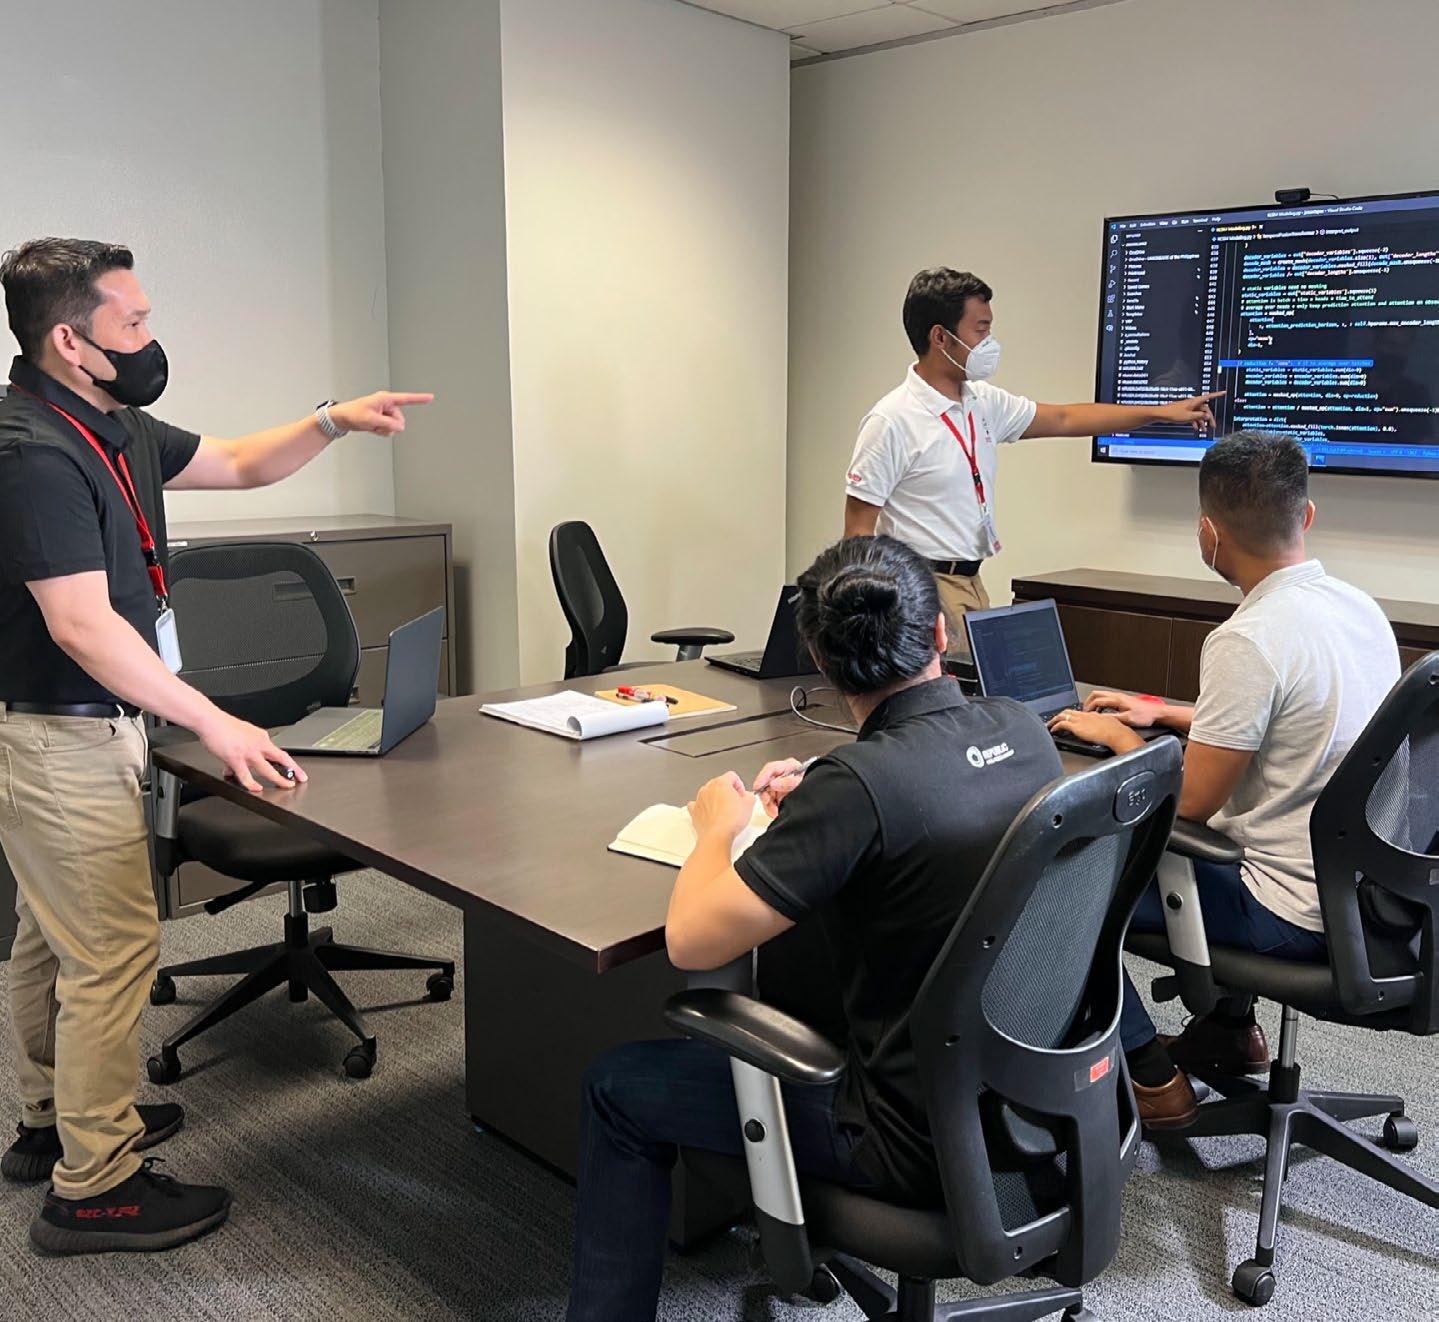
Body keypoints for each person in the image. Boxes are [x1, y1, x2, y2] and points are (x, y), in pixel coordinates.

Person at [0, 237, 431, 1255]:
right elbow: (81, 625)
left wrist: (332, 420)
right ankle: (95, 1186)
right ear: (70, 341)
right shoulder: (32, 452)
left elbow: (238, 462)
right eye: (133, 322)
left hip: (90, 722)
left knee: (48, 940)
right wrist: (210, 716)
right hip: (57, 731)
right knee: (111, 952)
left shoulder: (113, 423)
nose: (151, 338)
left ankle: (53, 1121)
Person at [566, 534, 1063, 1321]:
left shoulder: (859, 788)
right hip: (1032, 1098)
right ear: (940, 632)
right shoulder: (1021, 729)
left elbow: (691, 940)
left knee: (615, 1086)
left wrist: (716, 829)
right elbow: (923, 808)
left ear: (820, 662)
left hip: (907, 1138)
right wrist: (824, 806)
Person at [1046, 431, 1400, 1126]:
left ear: (1208, 534)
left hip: (1287, 909)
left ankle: (1152, 1078)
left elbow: (1192, 804)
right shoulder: (1358, 608)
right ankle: (1230, 1033)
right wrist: (1166, 712)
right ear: (1306, 515)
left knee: (1056, 892)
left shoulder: (1248, 636)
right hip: (1367, 897)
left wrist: (1120, 736)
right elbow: (1305, 718)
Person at [844, 267, 1223, 655]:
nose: (989, 342)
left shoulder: (982, 402)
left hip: (970, 582)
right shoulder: (892, 420)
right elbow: (858, 531)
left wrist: (1160, 413)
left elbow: (1065, 418)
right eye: (980, 329)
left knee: (974, 688)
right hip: (919, 588)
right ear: (940, 337)